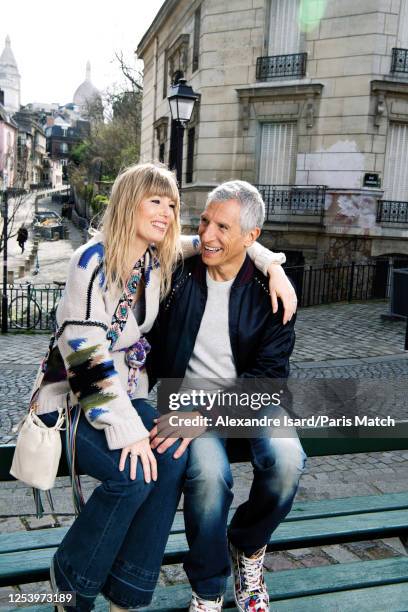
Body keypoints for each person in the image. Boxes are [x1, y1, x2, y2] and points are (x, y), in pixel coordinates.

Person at [35, 163, 297, 612]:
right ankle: (77, 582)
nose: (166, 212)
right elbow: (84, 357)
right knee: (148, 472)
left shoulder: (158, 259)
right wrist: (129, 431)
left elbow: (220, 244)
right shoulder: (95, 263)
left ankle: (132, 591)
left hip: (181, 400)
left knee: (212, 458)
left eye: (171, 204)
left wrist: (271, 264)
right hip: (84, 402)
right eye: (154, 200)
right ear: (128, 202)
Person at [148, 180, 307, 612]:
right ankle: (207, 589)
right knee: (209, 479)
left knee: (288, 460)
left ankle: (248, 546)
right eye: (204, 221)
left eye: (223, 227)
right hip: (184, 398)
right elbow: (132, 239)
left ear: (250, 237)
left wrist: (270, 266)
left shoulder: (272, 293)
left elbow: (270, 377)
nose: (207, 235)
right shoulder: (177, 274)